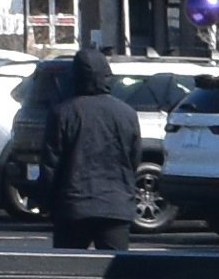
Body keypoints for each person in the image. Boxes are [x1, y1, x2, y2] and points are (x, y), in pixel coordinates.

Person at [44, 57, 146, 252]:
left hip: (73, 205)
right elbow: (133, 159)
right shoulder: (127, 113)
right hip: (116, 206)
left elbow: (50, 165)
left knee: (68, 273)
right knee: (114, 277)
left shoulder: (62, 112)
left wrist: (47, 202)